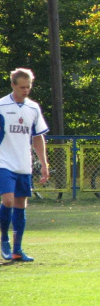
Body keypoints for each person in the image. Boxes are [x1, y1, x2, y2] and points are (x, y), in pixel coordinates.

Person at [0, 68, 49, 262]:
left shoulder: (33, 108)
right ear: (13, 85)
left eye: (28, 87)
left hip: (23, 163)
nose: (26, 90)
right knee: (8, 201)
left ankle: (18, 250)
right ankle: (4, 238)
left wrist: (44, 164)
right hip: (3, 161)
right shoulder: (1, 105)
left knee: (21, 204)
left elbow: (38, 138)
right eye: (22, 87)